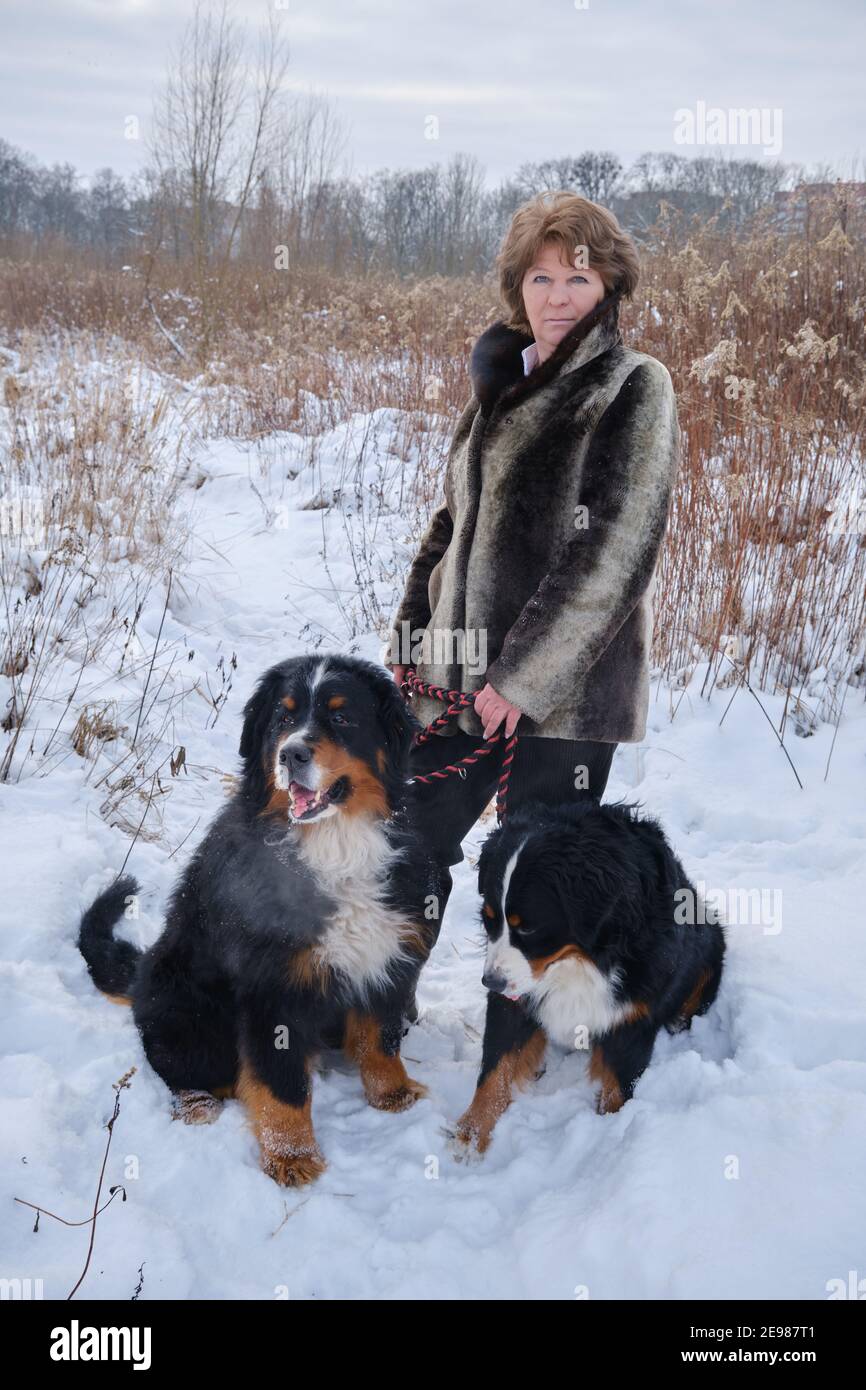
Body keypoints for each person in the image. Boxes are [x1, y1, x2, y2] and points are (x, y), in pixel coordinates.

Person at [384, 190, 681, 923]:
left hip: (562, 698)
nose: (560, 296)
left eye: (579, 277)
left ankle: (546, 1026)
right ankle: (376, 1017)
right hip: (455, 673)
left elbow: (612, 551)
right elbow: (451, 525)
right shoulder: (497, 389)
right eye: (541, 278)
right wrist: (411, 641)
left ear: (609, 284)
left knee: (542, 882)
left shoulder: (632, 386)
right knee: (400, 843)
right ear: (518, 288)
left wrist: (522, 679)